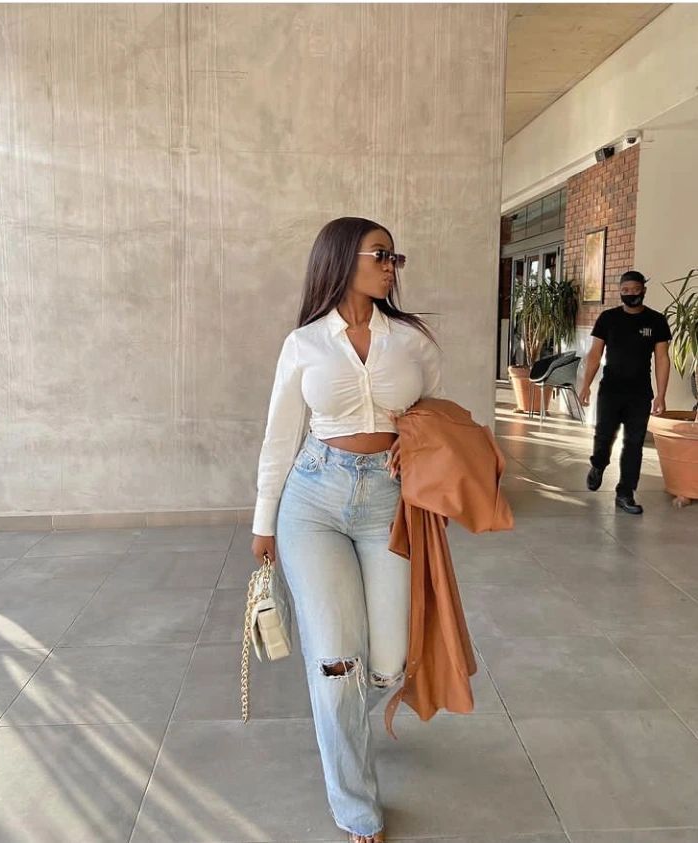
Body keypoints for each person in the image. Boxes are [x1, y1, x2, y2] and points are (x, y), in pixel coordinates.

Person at [250, 217, 443, 843]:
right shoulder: (304, 343)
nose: (391, 266)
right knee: (336, 662)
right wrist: (263, 522)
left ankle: (345, 723)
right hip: (313, 500)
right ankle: (356, 804)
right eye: (380, 254)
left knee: (388, 662)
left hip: (388, 501)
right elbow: (280, 436)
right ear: (341, 260)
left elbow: (433, 413)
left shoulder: (411, 340)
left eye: (394, 257)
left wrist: (414, 440)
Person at [578, 270, 671, 514]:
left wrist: (661, 394)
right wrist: (586, 385)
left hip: (640, 393)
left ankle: (625, 493)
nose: (630, 294)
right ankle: (598, 465)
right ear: (620, 292)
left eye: (635, 290)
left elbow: (662, 359)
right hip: (611, 391)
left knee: (634, 443)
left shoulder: (656, 321)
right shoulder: (608, 318)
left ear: (644, 291)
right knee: (604, 436)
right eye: (625, 290)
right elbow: (595, 354)